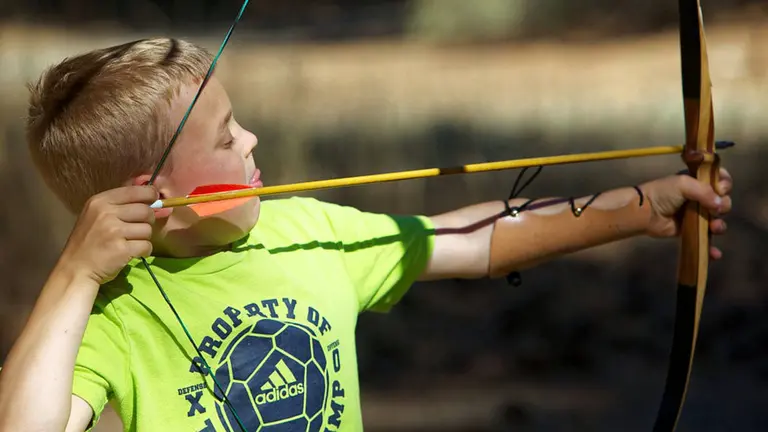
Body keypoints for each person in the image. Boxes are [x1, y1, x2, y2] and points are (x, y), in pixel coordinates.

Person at [0, 38, 732, 432]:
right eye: (226, 138)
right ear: (157, 198)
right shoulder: (115, 312)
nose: (252, 139)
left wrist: (640, 206)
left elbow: (472, 240)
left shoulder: (309, 232)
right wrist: (75, 275)